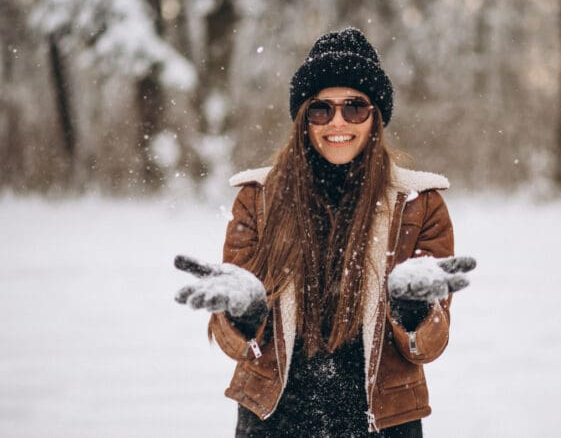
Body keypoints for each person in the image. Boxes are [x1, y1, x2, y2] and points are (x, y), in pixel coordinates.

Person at [174, 27, 476, 437]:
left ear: (376, 117)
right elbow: (236, 345)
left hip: (382, 425)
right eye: (321, 109)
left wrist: (415, 311)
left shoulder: (418, 205)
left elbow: (428, 346)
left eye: (355, 107)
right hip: (273, 422)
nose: (338, 122)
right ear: (303, 117)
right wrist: (243, 315)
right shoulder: (258, 200)